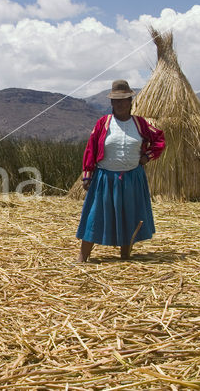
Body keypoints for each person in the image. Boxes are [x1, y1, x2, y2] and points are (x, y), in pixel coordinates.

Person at [76, 80, 165, 262]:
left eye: (124, 100)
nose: (121, 104)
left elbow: (159, 140)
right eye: (116, 101)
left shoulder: (140, 124)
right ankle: (82, 257)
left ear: (131, 101)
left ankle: (125, 256)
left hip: (133, 177)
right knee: (95, 214)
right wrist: (87, 174)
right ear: (111, 104)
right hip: (105, 177)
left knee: (129, 214)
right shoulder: (103, 123)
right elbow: (91, 148)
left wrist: (147, 156)